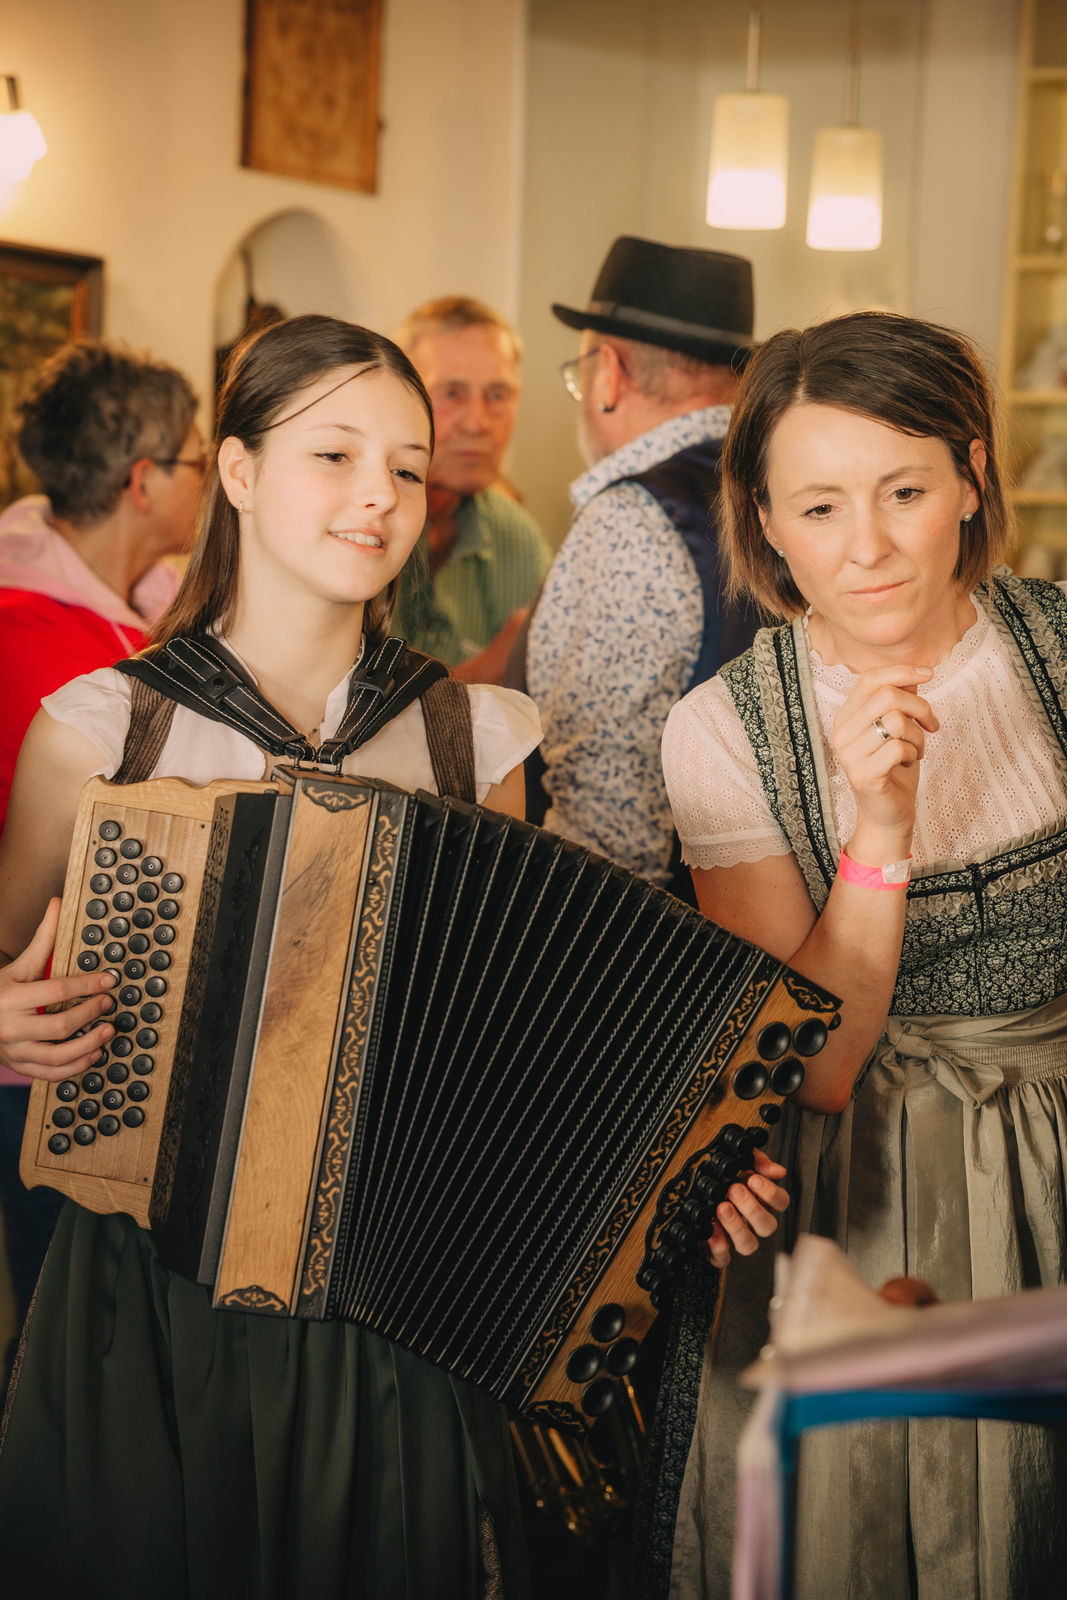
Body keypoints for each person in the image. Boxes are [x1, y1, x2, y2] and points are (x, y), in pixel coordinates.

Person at [0, 314, 543, 1599]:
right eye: (334, 455)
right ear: (235, 472)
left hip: (389, 1296)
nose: (379, 495)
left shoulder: (473, 741)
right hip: (144, 1284)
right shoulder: (103, 728)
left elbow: (511, 1023)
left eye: (405, 466)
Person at [656, 311, 1067, 1599]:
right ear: (765, 523)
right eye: (819, 506)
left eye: (903, 490)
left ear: (970, 476)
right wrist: (877, 831)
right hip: (856, 1195)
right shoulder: (723, 729)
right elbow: (818, 1068)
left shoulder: (1058, 650)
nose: (868, 546)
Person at [0, 338, 201, 1391]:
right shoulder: (35, 641)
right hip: (45, 1048)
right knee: (70, 1354)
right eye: (200, 460)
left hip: (126, 1037)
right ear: (144, 481)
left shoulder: (153, 598)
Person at [527, 237, 758, 891]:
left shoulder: (631, 518)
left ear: (608, 373)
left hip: (667, 926)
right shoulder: (790, 488)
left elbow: (606, 824)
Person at [392, 296, 552, 683]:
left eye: (497, 395)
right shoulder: (357, 523)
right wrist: (491, 670)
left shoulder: (516, 537)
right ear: (398, 397)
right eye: (452, 393)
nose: (478, 423)